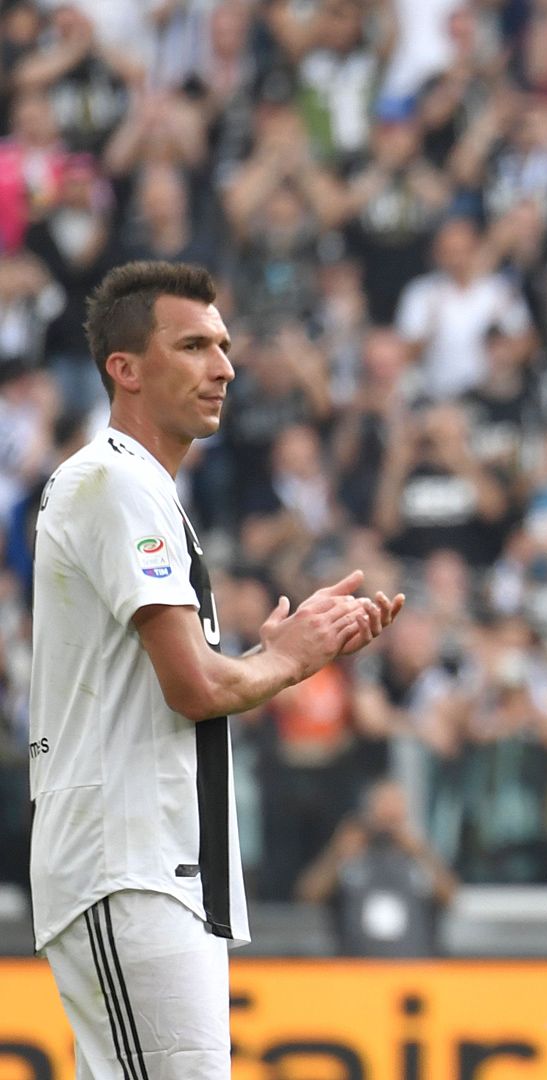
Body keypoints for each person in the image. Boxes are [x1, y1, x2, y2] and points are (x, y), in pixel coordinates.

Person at [28, 260, 403, 1078]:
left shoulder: (145, 491)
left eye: (225, 346)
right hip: (125, 862)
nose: (225, 367)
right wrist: (288, 656)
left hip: (155, 866)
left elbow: (193, 683)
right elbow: (195, 686)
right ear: (124, 369)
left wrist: (282, 660)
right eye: (194, 345)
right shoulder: (114, 480)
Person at [294, 777, 458, 957]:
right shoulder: (351, 855)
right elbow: (308, 895)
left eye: (394, 810)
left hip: (411, 970)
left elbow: (451, 897)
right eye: (383, 807)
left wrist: (423, 853)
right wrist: (336, 854)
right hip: (357, 971)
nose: (388, 817)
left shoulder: (417, 857)